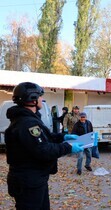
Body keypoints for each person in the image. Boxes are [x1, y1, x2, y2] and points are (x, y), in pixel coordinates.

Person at [5, 82, 84, 210]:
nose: (42, 99)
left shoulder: (28, 118)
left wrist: (62, 137)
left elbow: (43, 138)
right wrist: (68, 147)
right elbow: (43, 149)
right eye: (40, 96)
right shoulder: (27, 123)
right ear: (32, 99)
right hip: (28, 182)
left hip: (33, 179)